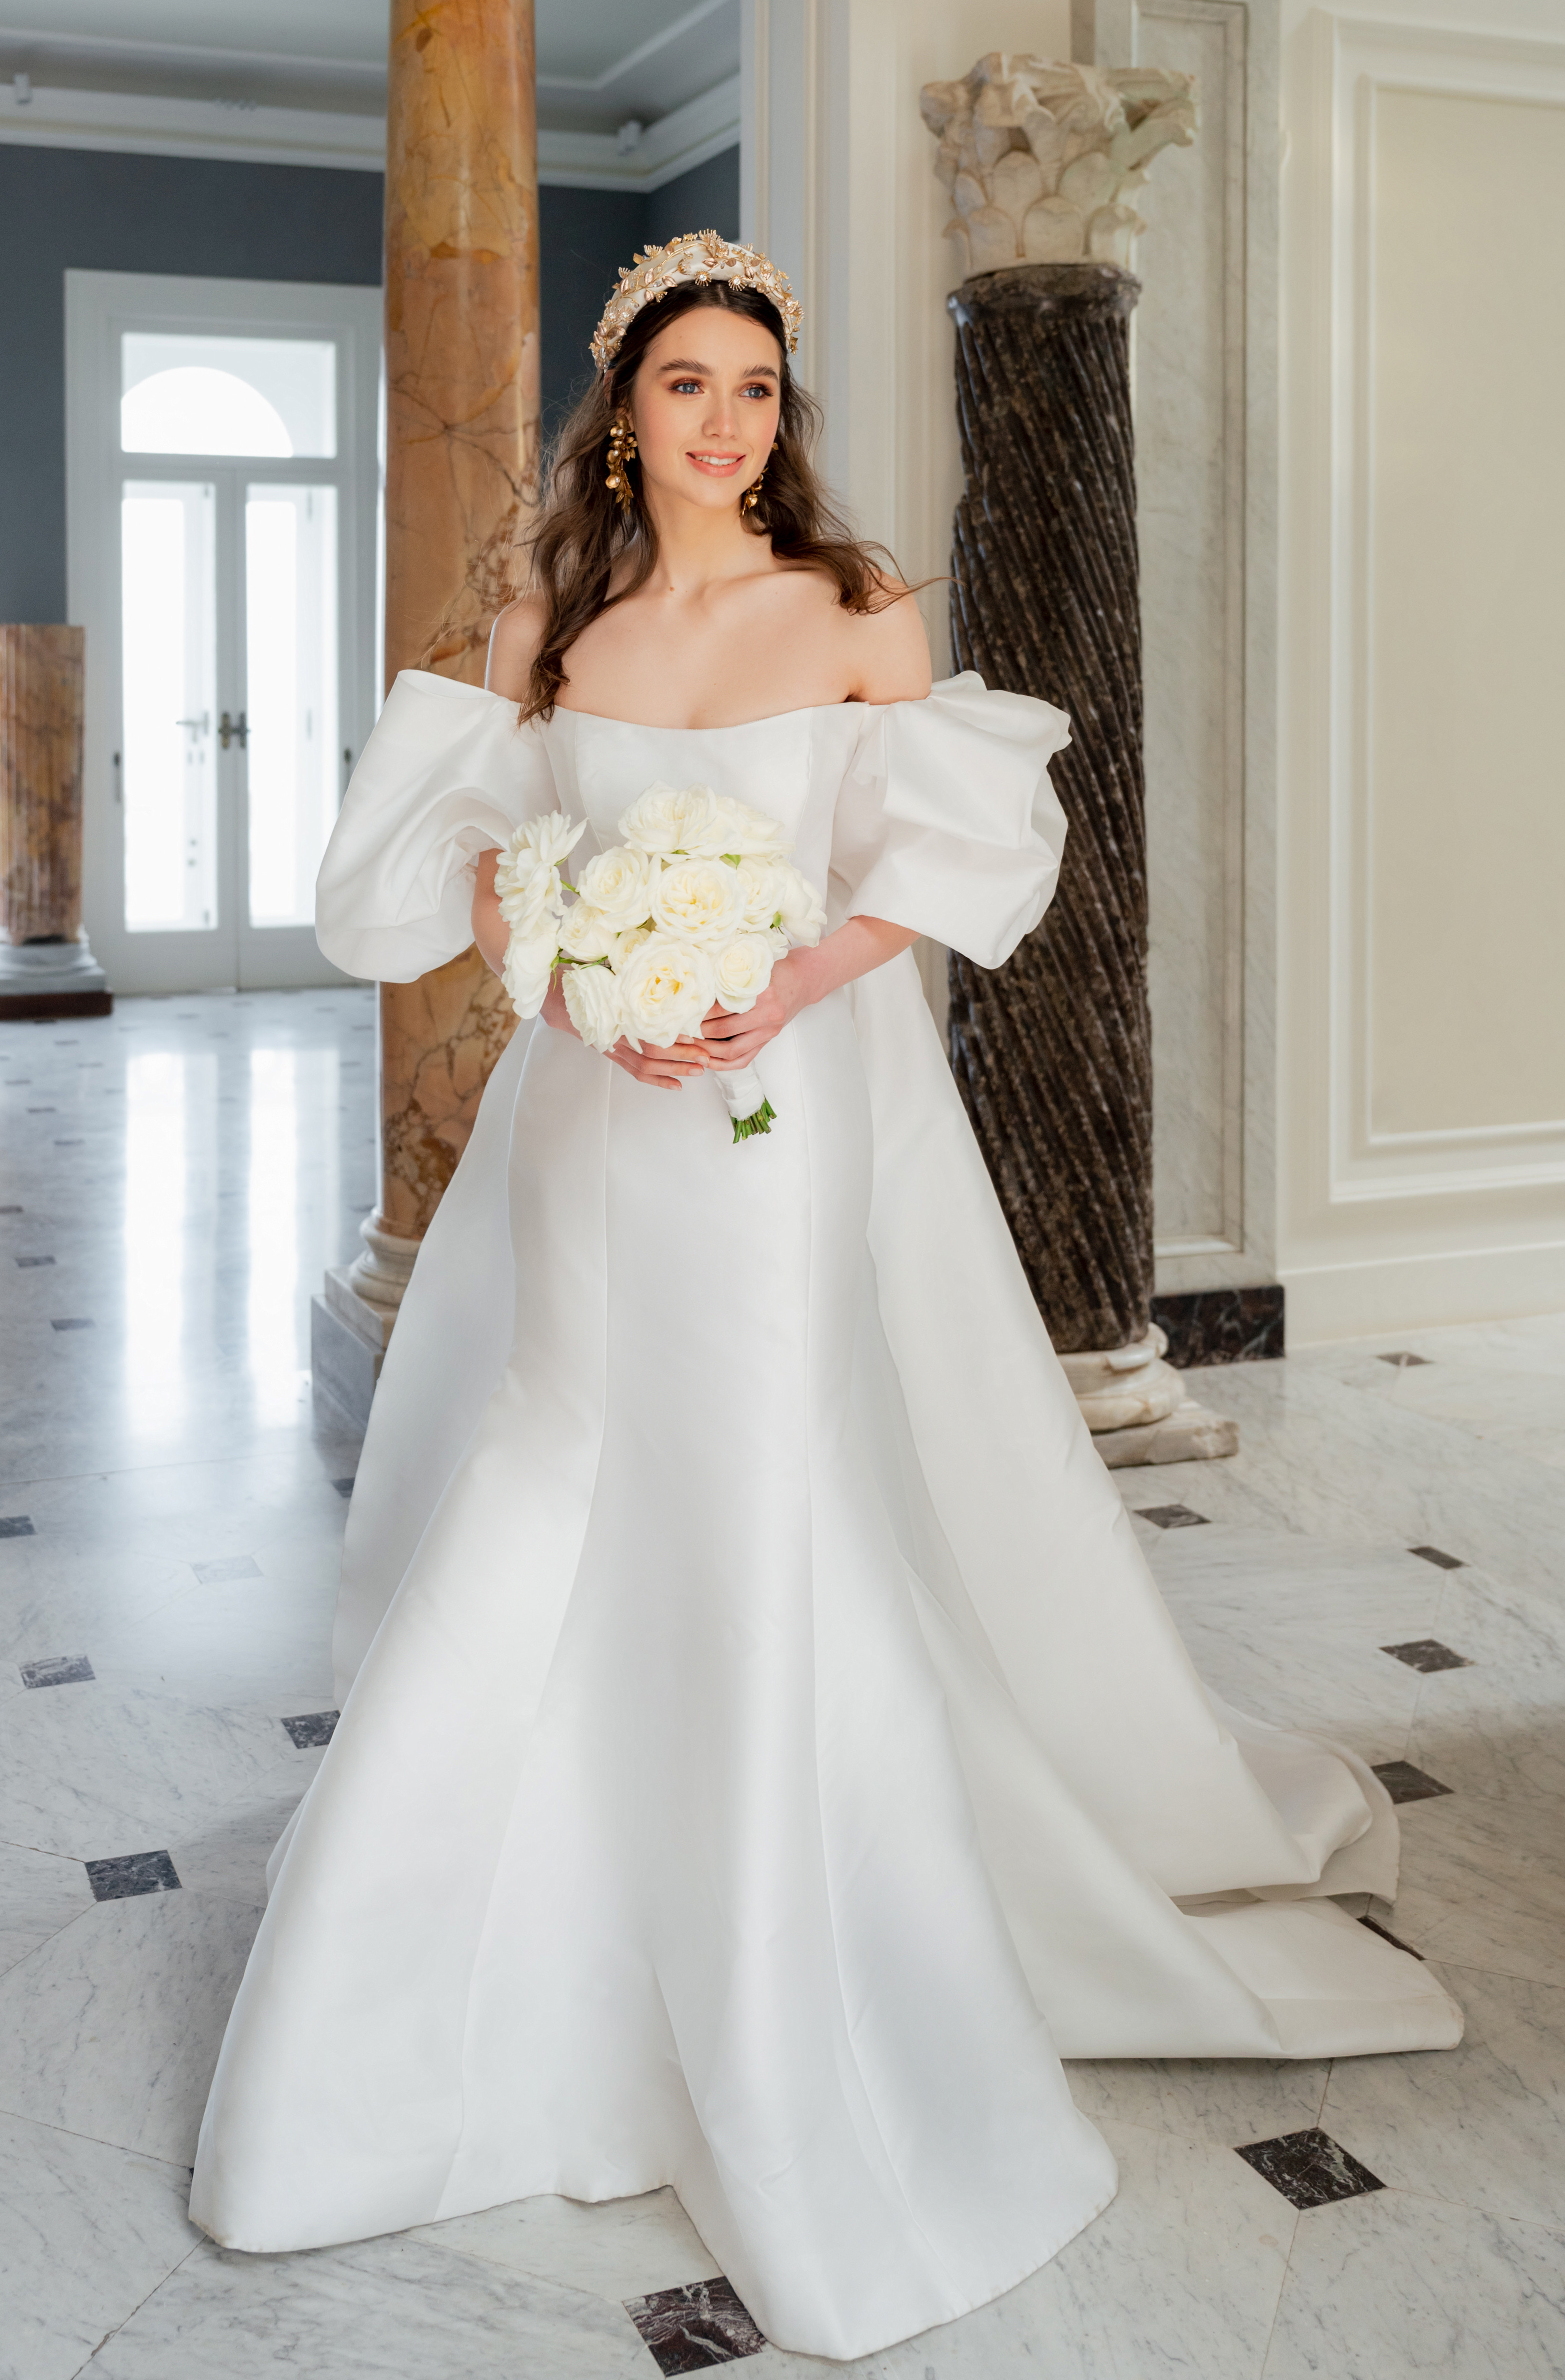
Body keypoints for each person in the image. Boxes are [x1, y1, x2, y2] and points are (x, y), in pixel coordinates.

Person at [190, 233, 1459, 2364]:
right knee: (548, 1472)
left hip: (773, 1136)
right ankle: (436, 2011)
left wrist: (766, 981)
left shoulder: (855, 613)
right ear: (625, 411)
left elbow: (950, 869)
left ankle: (794, 1997)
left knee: (762, 1495)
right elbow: (457, 864)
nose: (724, 422)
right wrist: (576, 963)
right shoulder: (547, 623)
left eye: (757, 391)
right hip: (598, 1129)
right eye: (688, 384)